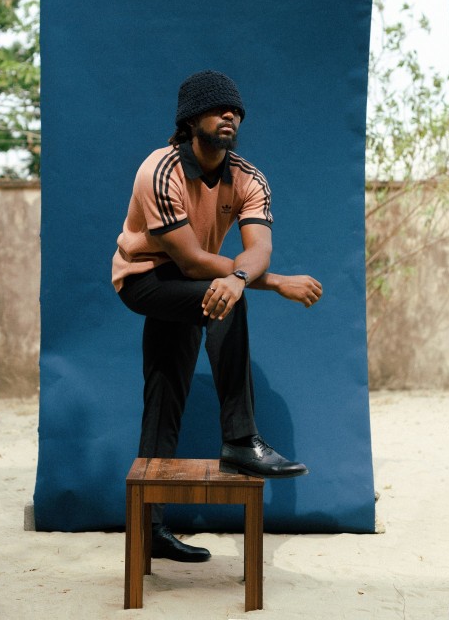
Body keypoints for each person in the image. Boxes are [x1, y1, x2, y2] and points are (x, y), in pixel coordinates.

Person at [112, 70, 322, 562]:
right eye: (217, 109)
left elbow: (258, 249)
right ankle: (240, 438)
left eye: (236, 111)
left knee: (165, 398)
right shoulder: (159, 171)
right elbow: (188, 261)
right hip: (145, 279)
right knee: (225, 297)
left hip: (199, 286)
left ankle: (149, 533)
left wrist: (245, 276)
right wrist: (269, 283)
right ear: (189, 122)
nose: (230, 115)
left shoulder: (249, 177)